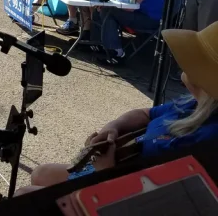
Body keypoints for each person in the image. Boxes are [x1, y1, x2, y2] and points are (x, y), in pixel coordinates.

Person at [21, 21, 218, 193]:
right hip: (119, 168)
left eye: (196, 57)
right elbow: (145, 113)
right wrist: (113, 127)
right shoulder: (194, 102)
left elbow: (159, 200)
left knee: (24, 196)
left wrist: (106, 171)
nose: (186, 60)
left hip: (119, 190)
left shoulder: (208, 140)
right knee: (40, 173)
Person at [96, 0, 165, 65]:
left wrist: (111, 5)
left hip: (149, 20)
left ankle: (116, 53)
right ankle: (105, 45)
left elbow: (133, 5)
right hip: (141, 14)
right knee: (105, 9)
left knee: (108, 11)